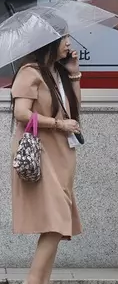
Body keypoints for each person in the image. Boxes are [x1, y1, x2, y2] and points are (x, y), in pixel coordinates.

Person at [11, 31, 83, 284]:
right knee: (56, 221)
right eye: (64, 38)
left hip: (62, 155)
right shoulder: (30, 72)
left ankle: (41, 280)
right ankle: (32, 281)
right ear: (48, 42)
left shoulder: (57, 72)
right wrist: (57, 124)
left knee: (58, 222)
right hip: (40, 154)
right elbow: (22, 113)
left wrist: (73, 73)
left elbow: (74, 111)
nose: (69, 43)